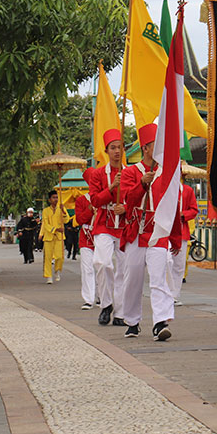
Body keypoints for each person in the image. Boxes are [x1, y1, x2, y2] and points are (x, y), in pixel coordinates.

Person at [119, 123, 182, 341]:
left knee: (159, 276)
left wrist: (175, 237)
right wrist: (141, 185)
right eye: (156, 145)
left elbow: (173, 205)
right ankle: (132, 321)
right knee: (133, 279)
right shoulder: (130, 172)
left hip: (158, 233)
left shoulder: (167, 173)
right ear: (145, 148)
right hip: (136, 232)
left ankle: (160, 322)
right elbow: (128, 202)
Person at [84, 128, 127, 326]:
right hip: (103, 224)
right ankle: (106, 305)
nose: (117, 151)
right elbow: (94, 200)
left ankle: (120, 312)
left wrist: (124, 207)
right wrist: (110, 189)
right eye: (113, 148)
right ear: (106, 151)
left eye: (120, 147)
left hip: (125, 226)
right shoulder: (98, 174)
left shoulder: (131, 173)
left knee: (123, 270)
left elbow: (138, 199)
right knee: (102, 263)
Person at [167, 182, 199, 307]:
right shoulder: (163, 187)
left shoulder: (187, 190)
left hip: (181, 232)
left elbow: (194, 209)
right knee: (167, 262)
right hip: (165, 232)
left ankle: (174, 295)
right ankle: (166, 292)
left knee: (179, 265)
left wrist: (183, 214)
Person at [74, 192, 97, 310]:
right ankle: (88, 299)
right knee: (87, 268)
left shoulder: (106, 197)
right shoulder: (81, 200)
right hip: (86, 238)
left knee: (102, 267)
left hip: (101, 236)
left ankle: (101, 297)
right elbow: (79, 219)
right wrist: (89, 210)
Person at [40, 191, 66, 284]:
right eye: (54, 198)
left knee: (60, 257)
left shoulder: (61, 209)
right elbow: (45, 224)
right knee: (48, 257)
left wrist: (63, 211)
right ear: (49, 200)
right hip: (49, 236)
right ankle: (49, 276)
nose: (56, 199)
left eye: (57, 198)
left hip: (59, 237)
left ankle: (57, 270)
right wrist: (55, 229)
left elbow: (66, 220)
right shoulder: (45, 211)